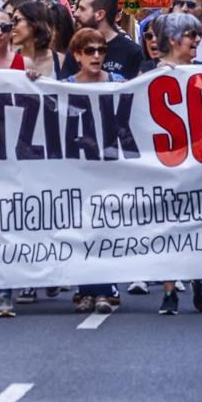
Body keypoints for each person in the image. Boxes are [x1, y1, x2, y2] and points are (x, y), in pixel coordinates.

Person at [151, 12, 202, 315]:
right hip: (166, 162)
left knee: (197, 223)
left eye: (198, 35)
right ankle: (169, 291)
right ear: (174, 40)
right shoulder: (151, 76)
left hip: (200, 161)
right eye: (191, 35)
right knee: (168, 227)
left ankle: (199, 276)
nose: (197, 41)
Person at [61, 27, 125, 314]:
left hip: (110, 167)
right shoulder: (63, 86)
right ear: (77, 55)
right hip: (77, 168)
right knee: (81, 229)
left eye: (101, 50)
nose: (97, 56)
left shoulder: (118, 81)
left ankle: (103, 289)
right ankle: (84, 290)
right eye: (90, 51)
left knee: (104, 229)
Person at [65, 0, 144, 79]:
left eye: (82, 9)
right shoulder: (75, 48)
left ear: (100, 15)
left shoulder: (132, 52)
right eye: (89, 51)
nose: (76, 14)